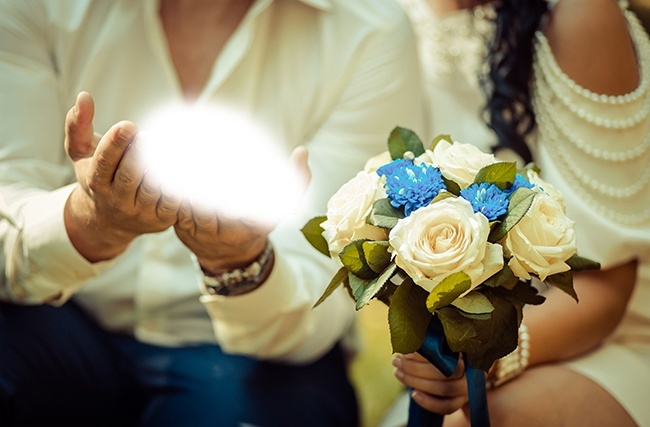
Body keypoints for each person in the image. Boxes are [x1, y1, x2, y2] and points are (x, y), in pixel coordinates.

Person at [0, 1, 424, 426]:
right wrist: (91, 222)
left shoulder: (368, 29)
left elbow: (324, 289)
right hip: (58, 317)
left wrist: (239, 262)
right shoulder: (36, 7)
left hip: (252, 356)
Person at [382, 0, 650, 425]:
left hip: (609, 333)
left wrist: (481, 361)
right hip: (462, 339)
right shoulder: (381, 16)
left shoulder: (581, 15)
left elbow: (607, 285)